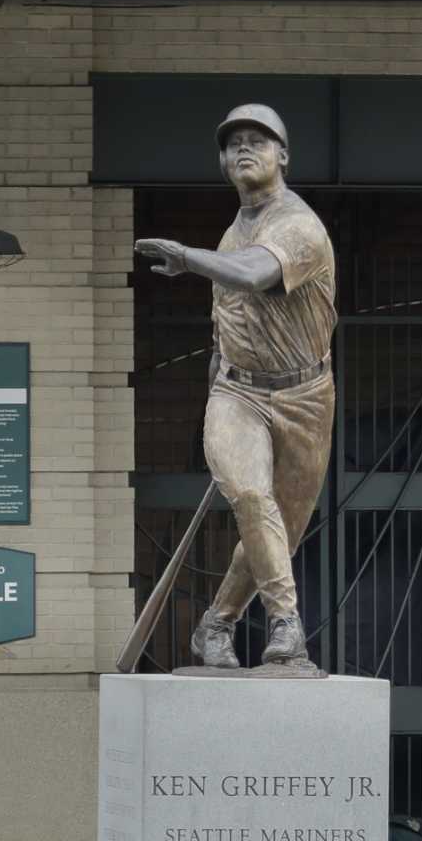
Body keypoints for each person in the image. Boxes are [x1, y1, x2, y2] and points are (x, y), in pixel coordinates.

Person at [133, 103, 336, 675]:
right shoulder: (233, 230)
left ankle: (215, 624)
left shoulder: (300, 226)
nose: (243, 149)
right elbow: (226, 324)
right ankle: (286, 627)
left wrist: (186, 258)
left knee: (274, 530)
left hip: (305, 398)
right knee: (251, 498)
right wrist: (214, 404)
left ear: (283, 156)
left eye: (258, 140)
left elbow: (250, 274)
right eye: (232, 143)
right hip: (238, 393)